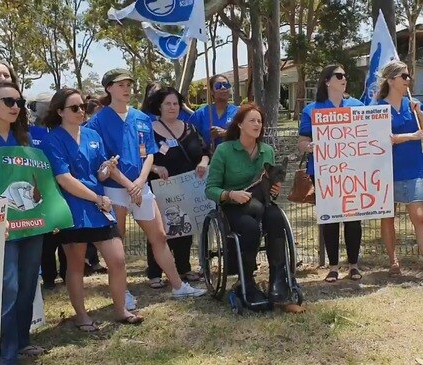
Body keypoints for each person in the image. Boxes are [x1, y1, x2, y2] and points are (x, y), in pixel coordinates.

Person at [86, 68, 207, 304]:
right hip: (114, 189)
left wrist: (140, 182)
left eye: (129, 85)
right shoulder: (97, 122)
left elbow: (150, 154)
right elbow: (103, 160)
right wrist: (128, 184)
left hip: (142, 188)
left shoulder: (141, 119)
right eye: (121, 85)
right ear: (108, 88)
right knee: (117, 245)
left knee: (160, 237)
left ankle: (178, 286)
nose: (126, 89)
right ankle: (123, 292)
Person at [42, 88, 144, 331]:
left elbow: (98, 171)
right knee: (76, 265)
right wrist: (97, 197)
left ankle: (121, 310)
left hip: (99, 207)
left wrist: (106, 169)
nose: (80, 112)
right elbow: (64, 179)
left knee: (117, 260)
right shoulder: (52, 139)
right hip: (73, 208)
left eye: (83, 107)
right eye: (74, 108)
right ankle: (81, 316)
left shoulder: (91, 135)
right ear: (60, 111)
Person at [0, 82, 45, 363]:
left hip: (31, 225)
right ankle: (3, 353)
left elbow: (37, 182)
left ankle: (22, 341)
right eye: (8, 101)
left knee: (28, 284)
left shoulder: (25, 140)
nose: (15, 107)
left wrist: (49, 215)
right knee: (8, 288)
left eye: (18, 102)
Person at [205, 103, 291, 305]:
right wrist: (230, 194)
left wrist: (274, 190)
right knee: (250, 229)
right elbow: (210, 188)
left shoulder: (267, 151)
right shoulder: (224, 150)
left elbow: (270, 182)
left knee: (277, 218)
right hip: (233, 206)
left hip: (261, 203)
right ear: (240, 125)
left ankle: (278, 279)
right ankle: (247, 281)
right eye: (252, 120)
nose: (257, 124)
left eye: (260, 121)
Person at [374, 60, 423, 285]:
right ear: (391, 80)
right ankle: (393, 260)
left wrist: (420, 115)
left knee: (420, 217)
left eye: (408, 76)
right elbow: (381, 140)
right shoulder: (377, 108)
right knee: (388, 218)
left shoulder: (414, 105)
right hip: (386, 171)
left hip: (413, 168)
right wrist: (409, 137)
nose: (408, 80)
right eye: (404, 76)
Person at [297, 64, 365, 282]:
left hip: (353, 171)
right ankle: (334, 266)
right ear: (327, 81)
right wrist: (310, 147)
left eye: (345, 75)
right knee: (330, 218)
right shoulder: (312, 110)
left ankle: (354, 265)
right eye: (339, 75)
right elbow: (302, 142)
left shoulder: (358, 106)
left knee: (353, 217)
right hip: (324, 172)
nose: (344, 78)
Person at [141, 87, 211, 288]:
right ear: (159, 107)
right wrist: (155, 167)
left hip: (187, 187)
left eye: (175, 104)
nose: (172, 108)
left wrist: (204, 162)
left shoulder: (190, 128)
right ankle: (155, 272)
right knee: (159, 231)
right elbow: (141, 157)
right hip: (160, 188)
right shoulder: (149, 130)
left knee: (184, 228)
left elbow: (205, 151)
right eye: (167, 104)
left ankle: (183, 267)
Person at [188, 74, 239, 148]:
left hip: (233, 156)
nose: (223, 87)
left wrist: (225, 133)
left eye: (226, 85)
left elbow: (246, 134)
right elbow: (189, 136)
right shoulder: (200, 114)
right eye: (218, 86)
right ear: (212, 91)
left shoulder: (238, 112)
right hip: (209, 157)